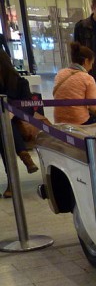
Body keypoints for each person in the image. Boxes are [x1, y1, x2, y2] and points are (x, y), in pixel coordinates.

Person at [0, 49, 37, 197]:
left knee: (5, 130)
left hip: (14, 123)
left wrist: (12, 113)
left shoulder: (20, 83)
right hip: (6, 126)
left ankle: (13, 181)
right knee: (3, 127)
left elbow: (28, 109)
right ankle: (24, 156)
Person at [52, 42, 96, 126]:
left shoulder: (60, 73)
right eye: (92, 63)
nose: (91, 67)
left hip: (59, 120)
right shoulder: (87, 78)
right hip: (79, 121)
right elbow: (94, 107)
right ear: (86, 61)